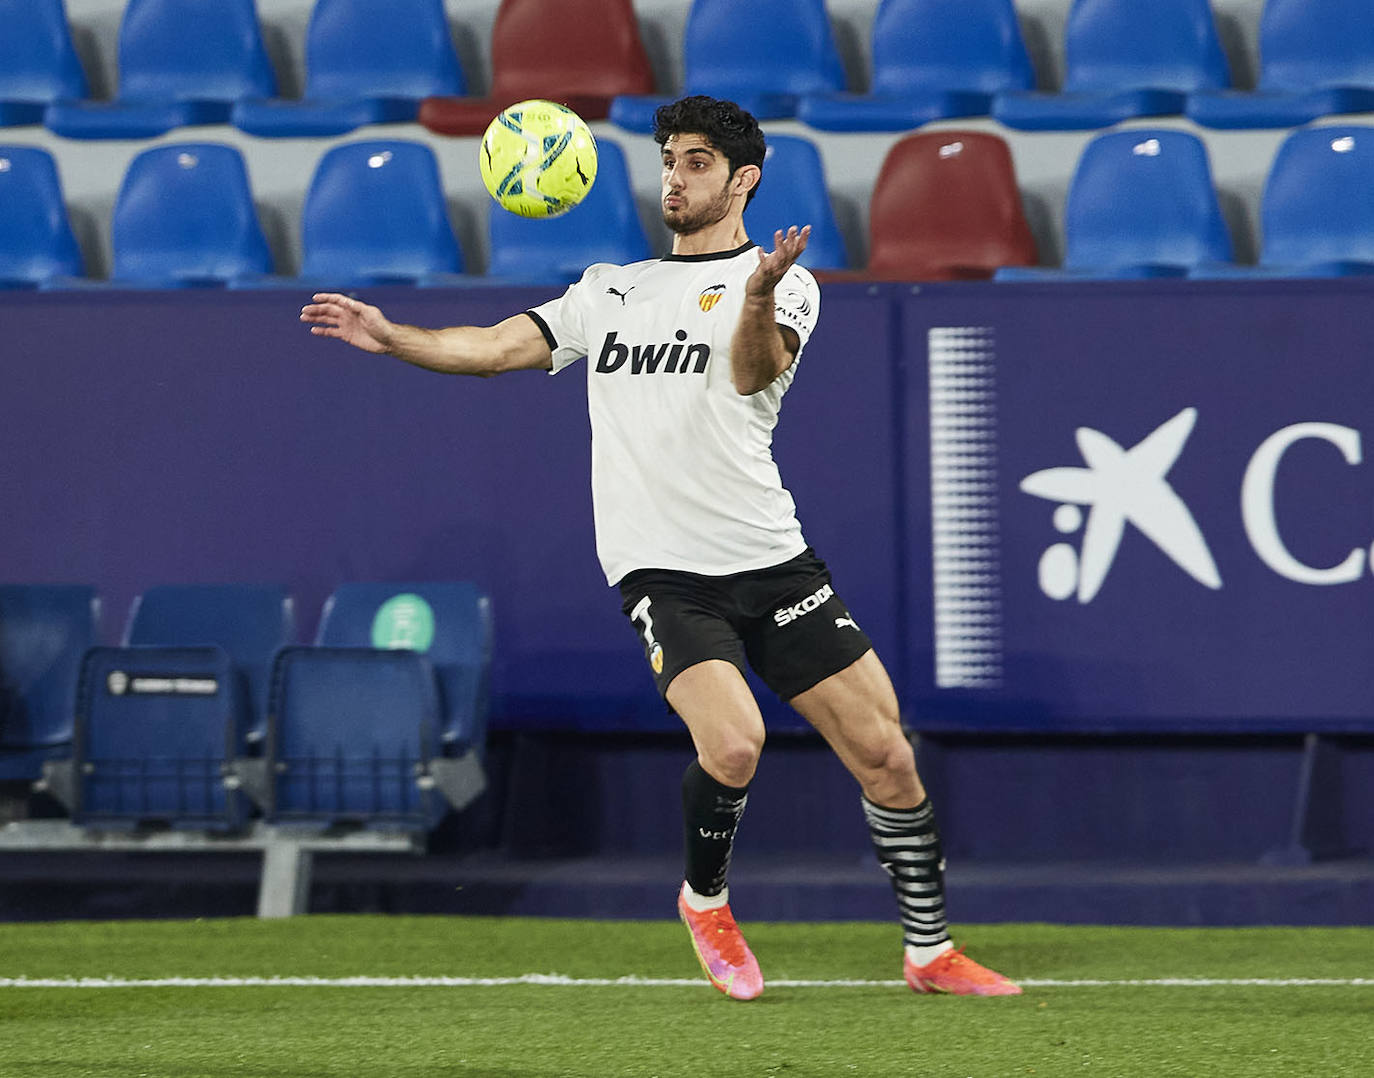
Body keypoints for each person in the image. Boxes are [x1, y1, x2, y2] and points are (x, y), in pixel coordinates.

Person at [300, 95, 1019, 1000]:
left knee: (887, 756)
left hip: (771, 559)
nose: (674, 176)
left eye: (695, 162)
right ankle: (705, 899)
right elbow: (489, 349)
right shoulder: (611, 288)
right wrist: (393, 337)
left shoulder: (785, 281)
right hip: (666, 572)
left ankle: (929, 953)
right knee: (734, 743)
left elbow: (755, 369)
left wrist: (756, 293)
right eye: (669, 159)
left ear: (742, 179)